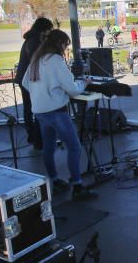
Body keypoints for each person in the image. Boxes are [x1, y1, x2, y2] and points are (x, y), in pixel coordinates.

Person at [21, 29, 96, 199]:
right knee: (74, 147)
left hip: (40, 112)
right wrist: (83, 82)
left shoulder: (36, 59)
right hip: (56, 112)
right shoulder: (55, 60)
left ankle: (54, 181)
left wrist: (42, 92)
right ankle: (77, 186)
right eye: (65, 45)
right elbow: (72, 90)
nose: (65, 48)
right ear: (59, 44)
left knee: (49, 147)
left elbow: (26, 83)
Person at [15, 17, 54, 150]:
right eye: (49, 29)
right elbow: (37, 61)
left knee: (29, 107)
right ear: (44, 29)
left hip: (25, 78)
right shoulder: (34, 41)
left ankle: (33, 136)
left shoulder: (31, 39)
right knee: (35, 107)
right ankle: (36, 137)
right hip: (29, 80)